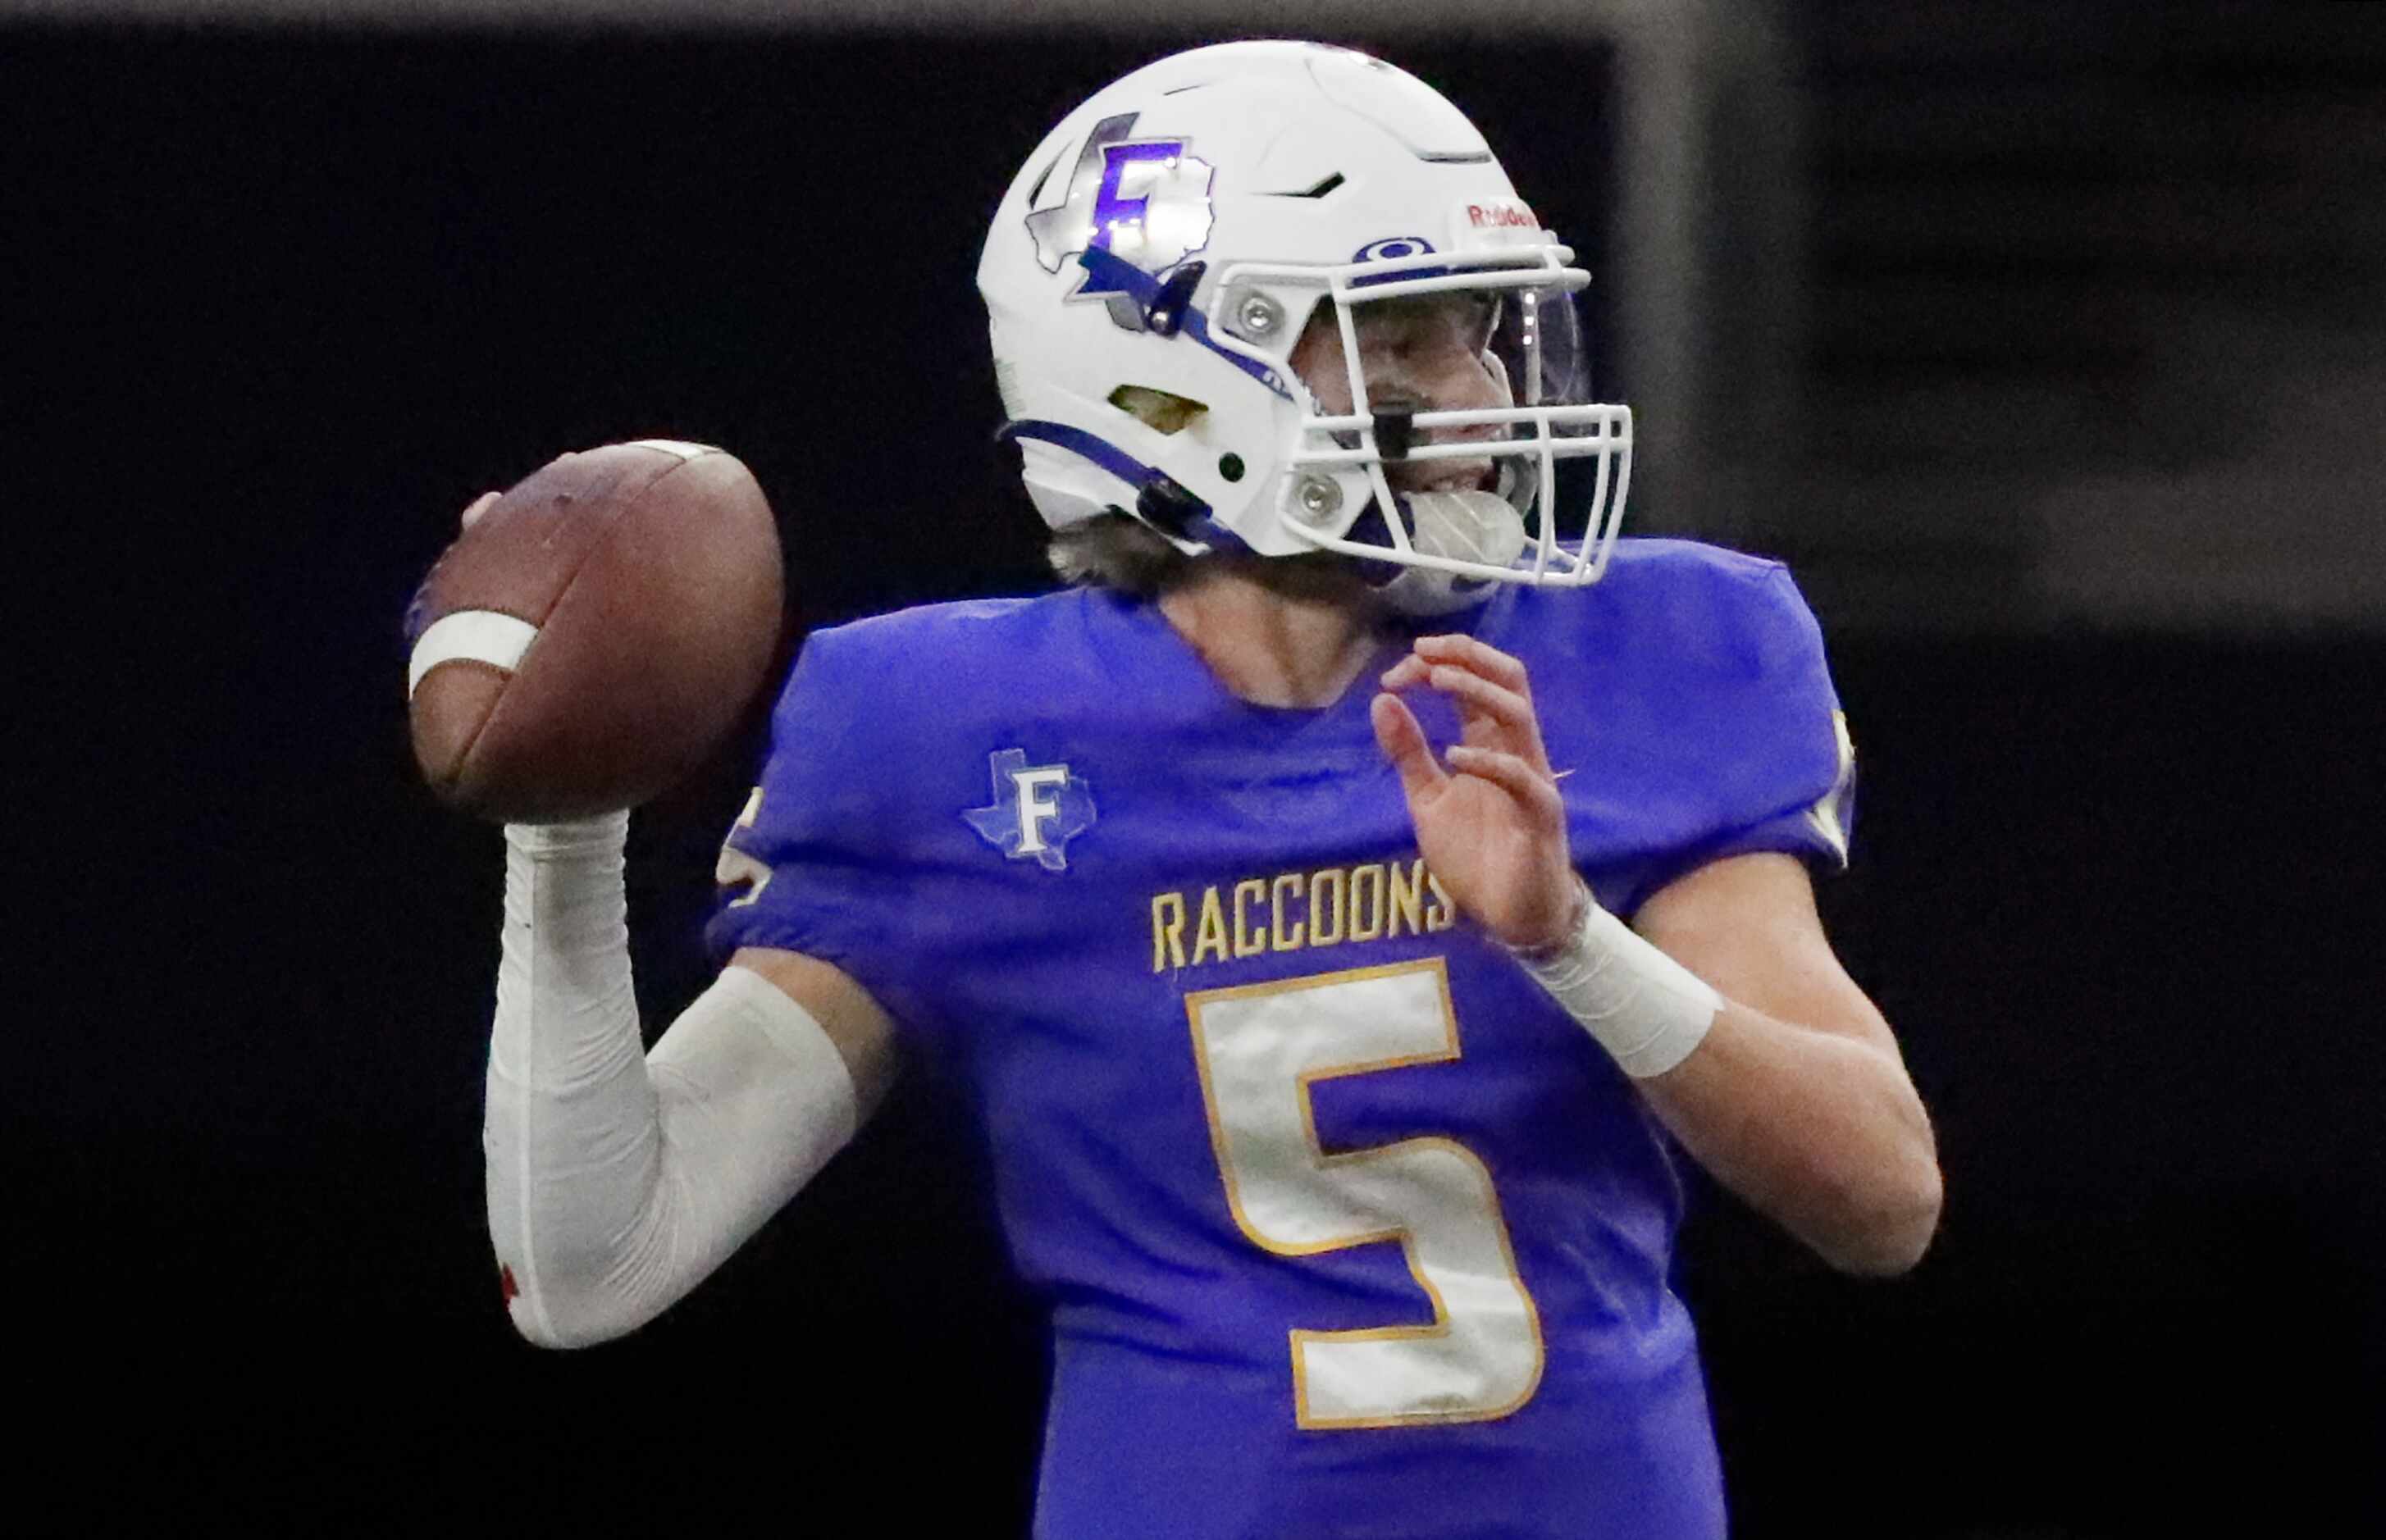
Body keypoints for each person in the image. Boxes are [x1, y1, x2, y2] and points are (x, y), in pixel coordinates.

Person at [477, 40, 1941, 1538]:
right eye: (1399, 341)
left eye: (1483, 334)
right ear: (1170, 385)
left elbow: (1882, 1195)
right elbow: (594, 1266)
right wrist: (564, 832)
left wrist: (1570, 938)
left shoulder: (1649, 649)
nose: (1484, 402)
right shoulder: (944, 732)